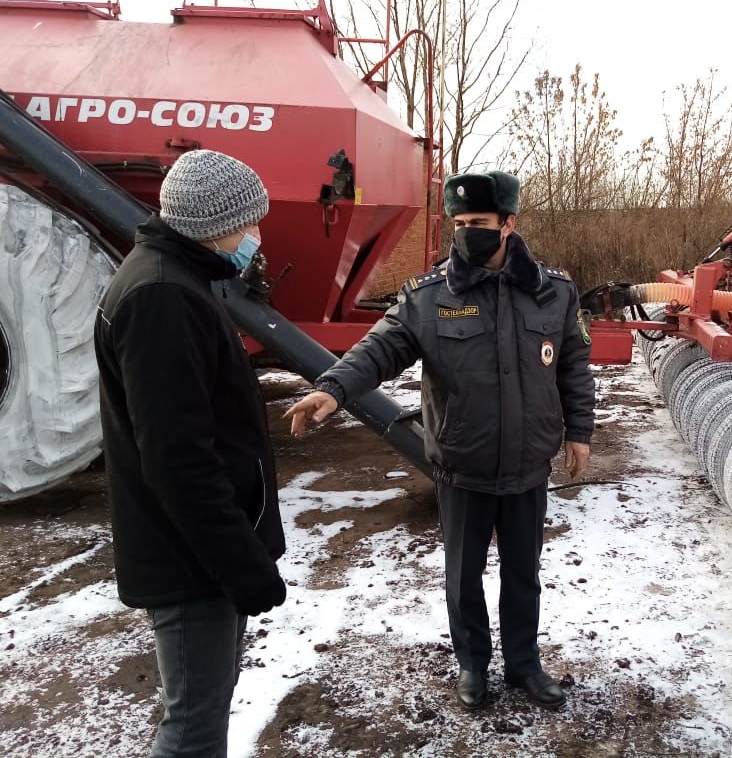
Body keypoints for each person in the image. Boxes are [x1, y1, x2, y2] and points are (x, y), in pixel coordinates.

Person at [285, 170, 595, 711]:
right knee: (463, 579)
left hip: (527, 465)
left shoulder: (553, 293)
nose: (466, 232)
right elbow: (378, 349)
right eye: (459, 223)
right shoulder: (429, 298)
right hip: (463, 466)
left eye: (477, 223)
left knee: (524, 575)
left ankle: (524, 663)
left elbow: (572, 366)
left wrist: (580, 432)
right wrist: (333, 390)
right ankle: (473, 665)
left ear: (508, 224)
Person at [94, 149, 287, 757]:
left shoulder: (175, 279)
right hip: (192, 562)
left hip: (200, 553)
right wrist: (242, 566)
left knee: (203, 708)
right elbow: (179, 462)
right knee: (193, 729)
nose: (256, 236)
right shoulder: (161, 298)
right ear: (212, 223)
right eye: (249, 223)